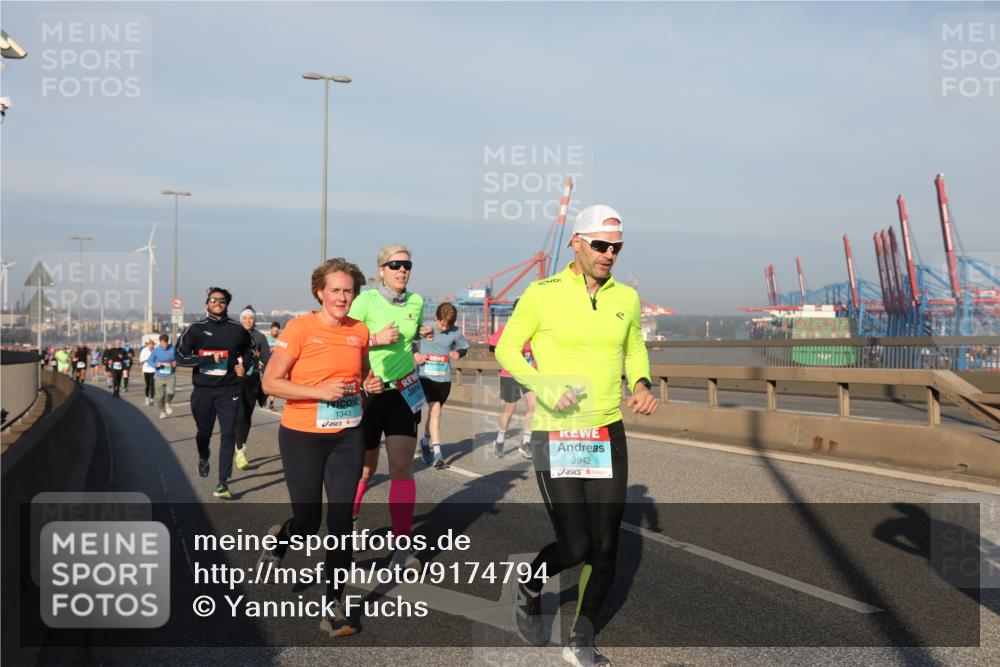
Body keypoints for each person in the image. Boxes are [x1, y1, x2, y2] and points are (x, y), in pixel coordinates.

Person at [498, 205, 657, 667]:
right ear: (577, 243)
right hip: (558, 432)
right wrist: (545, 385)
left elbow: (634, 346)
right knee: (574, 546)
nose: (610, 254)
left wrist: (641, 383)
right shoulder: (541, 293)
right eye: (601, 245)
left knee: (606, 547)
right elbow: (507, 348)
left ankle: (580, 638)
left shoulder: (626, 297)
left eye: (617, 247)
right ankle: (530, 584)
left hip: (606, 429)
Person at [260, 258, 384, 638]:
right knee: (308, 523)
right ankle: (282, 538)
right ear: (320, 293)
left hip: (347, 436)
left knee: (342, 523)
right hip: (302, 436)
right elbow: (270, 382)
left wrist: (369, 384)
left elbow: (362, 372)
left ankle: (334, 609)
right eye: (335, 290)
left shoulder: (360, 331)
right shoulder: (300, 328)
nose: (342, 297)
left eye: (349, 291)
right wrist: (319, 392)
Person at [348, 244, 428, 568]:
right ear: (381, 270)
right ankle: (351, 520)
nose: (402, 270)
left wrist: (420, 337)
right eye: (394, 265)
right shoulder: (365, 301)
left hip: (403, 392)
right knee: (364, 469)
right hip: (370, 392)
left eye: (407, 265)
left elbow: (411, 337)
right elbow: (345, 341)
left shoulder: (417, 301)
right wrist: (374, 339)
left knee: (401, 467)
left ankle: (402, 545)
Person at [175, 287, 256, 500]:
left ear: (227, 305)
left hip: (229, 389)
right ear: (207, 304)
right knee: (204, 433)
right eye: (213, 300)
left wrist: (244, 366)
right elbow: (180, 356)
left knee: (228, 433)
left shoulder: (237, 329)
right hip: (203, 390)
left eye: (222, 300)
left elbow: (250, 351)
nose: (217, 303)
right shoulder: (195, 329)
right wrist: (207, 359)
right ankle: (203, 455)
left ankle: (223, 483)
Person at [414, 302, 469, 468]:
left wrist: (458, 353)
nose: (444, 328)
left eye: (448, 325)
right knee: (436, 410)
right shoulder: (425, 328)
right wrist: (416, 355)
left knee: (434, 413)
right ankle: (438, 453)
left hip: (444, 379)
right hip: (426, 377)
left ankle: (425, 442)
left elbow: (464, 346)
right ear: (436, 318)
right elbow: (409, 341)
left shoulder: (455, 331)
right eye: (442, 324)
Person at [488, 300, 537, 459]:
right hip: (510, 374)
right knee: (510, 407)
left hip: (529, 373)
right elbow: (492, 346)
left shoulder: (535, 328)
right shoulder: (507, 327)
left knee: (534, 405)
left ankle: (526, 443)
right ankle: (500, 440)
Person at [233, 305, 271, 471]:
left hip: (253, 381)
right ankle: (239, 450)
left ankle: (241, 447)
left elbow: (267, 361)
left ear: (254, 320)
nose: (248, 320)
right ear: (240, 319)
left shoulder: (260, 337)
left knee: (247, 417)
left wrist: (268, 381)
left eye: (251, 318)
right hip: (236, 380)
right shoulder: (233, 335)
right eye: (245, 318)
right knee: (240, 414)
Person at [148, 334, 177, 418]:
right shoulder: (156, 351)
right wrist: (156, 364)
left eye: (165, 343)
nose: (164, 345)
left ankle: (168, 403)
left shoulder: (173, 349)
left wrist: (175, 362)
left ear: (168, 342)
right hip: (159, 376)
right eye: (162, 344)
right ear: (160, 342)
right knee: (160, 397)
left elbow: (178, 358)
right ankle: (162, 411)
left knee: (171, 392)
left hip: (170, 375)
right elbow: (149, 361)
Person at [265, 321, 281, 410]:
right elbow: (261, 350)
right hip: (266, 363)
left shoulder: (280, 339)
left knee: (273, 383)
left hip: (276, 363)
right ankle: (263, 397)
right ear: (270, 329)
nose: (275, 333)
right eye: (274, 331)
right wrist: (269, 350)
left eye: (276, 331)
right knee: (264, 383)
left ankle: (271, 403)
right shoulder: (266, 338)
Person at [139, 339, 156, 405]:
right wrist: (147, 358)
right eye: (150, 346)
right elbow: (140, 360)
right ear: (148, 345)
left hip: (153, 370)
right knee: (147, 385)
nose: (151, 347)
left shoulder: (155, 350)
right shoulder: (144, 350)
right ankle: (146, 398)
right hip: (145, 370)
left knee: (152, 385)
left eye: (152, 346)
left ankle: (152, 399)